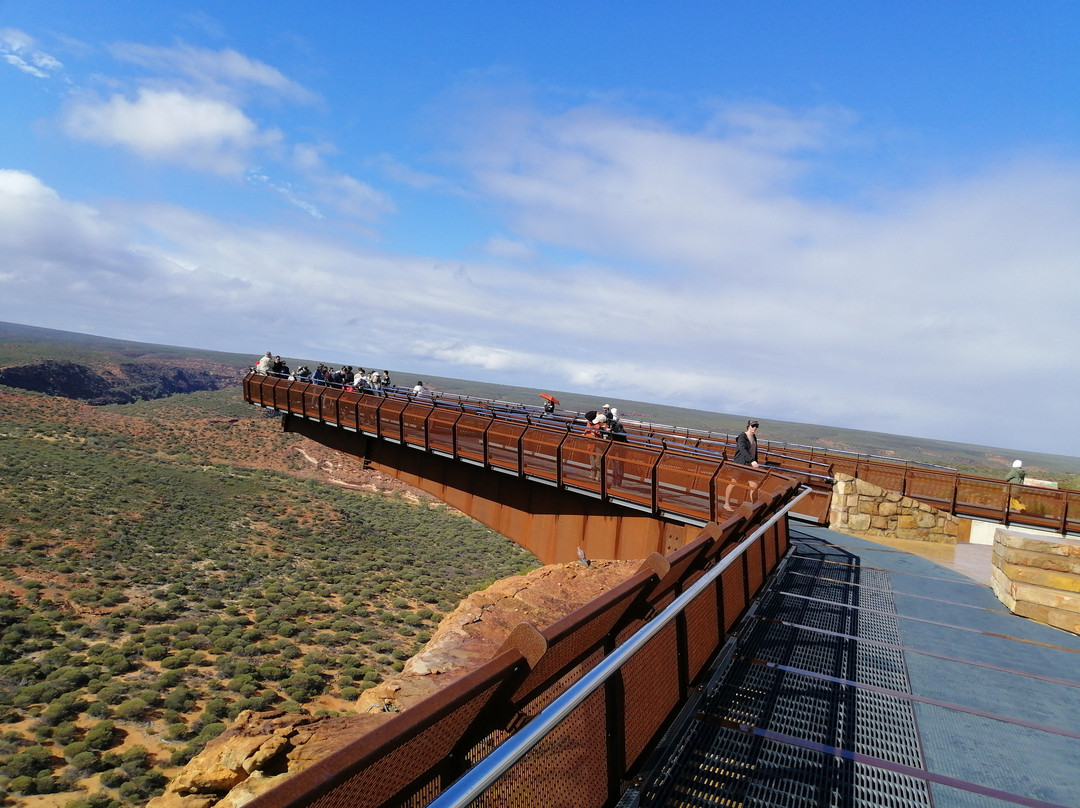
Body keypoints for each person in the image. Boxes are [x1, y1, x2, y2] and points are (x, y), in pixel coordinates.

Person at [723, 419, 761, 512]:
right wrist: (752, 461)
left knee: (754, 486)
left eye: (756, 426)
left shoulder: (754, 437)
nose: (755, 428)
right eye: (753, 426)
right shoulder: (742, 437)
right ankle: (726, 504)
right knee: (733, 483)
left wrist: (755, 462)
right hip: (740, 465)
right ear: (748, 426)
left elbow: (754, 452)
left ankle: (754, 508)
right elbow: (743, 450)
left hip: (750, 466)